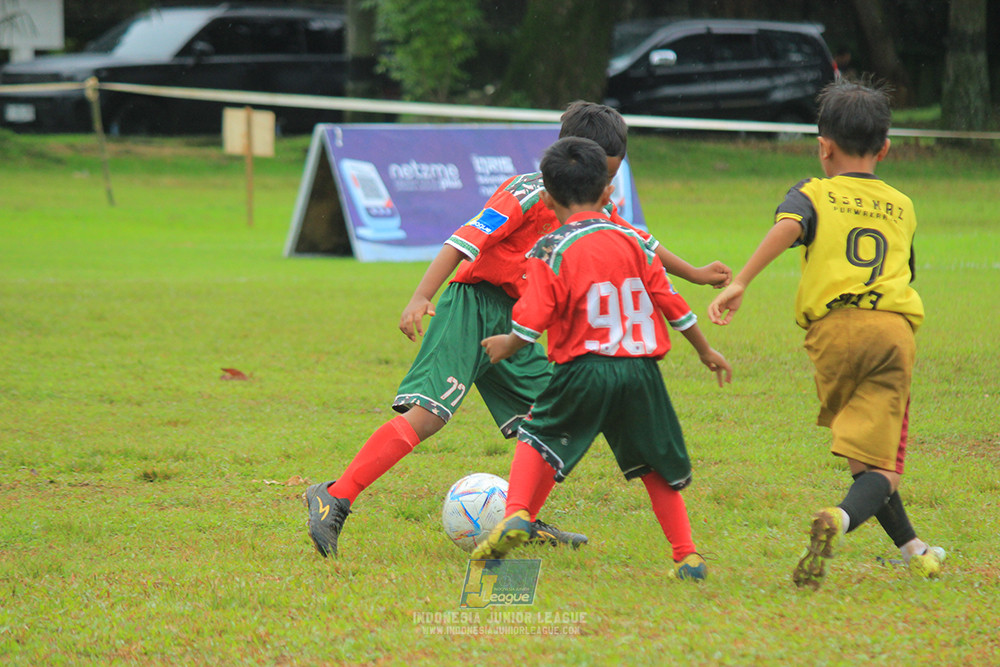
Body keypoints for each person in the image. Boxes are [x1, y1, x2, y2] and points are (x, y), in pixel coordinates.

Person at [305, 101, 732, 558]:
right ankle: (336, 496)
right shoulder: (527, 193)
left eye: (610, 179)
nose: (606, 189)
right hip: (472, 306)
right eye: (603, 176)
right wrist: (420, 296)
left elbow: (640, 242)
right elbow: (463, 241)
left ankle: (520, 518)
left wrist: (696, 274)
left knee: (547, 427)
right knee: (428, 416)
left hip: (517, 322)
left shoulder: (591, 201)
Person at [706, 79, 945, 589]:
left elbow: (789, 227)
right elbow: (906, 272)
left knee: (865, 458)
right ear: (884, 148)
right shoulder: (902, 205)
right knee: (884, 468)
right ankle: (840, 518)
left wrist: (742, 281)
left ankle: (914, 549)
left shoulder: (813, 192)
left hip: (830, 336)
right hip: (890, 331)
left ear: (823, 146)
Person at [470, 136, 732, 581]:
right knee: (654, 465)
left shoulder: (549, 249)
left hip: (583, 368)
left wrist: (507, 344)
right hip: (641, 372)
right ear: (608, 191)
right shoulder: (633, 241)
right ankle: (687, 555)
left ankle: (515, 512)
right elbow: (671, 303)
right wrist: (706, 350)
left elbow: (534, 317)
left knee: (535, 435)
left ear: (549, 198)